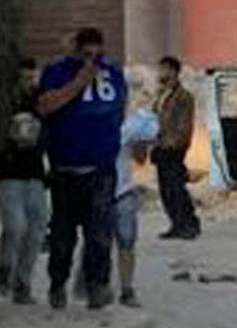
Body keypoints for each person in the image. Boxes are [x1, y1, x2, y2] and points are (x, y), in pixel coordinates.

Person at [35, 27, 127, 311]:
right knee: (63, 236)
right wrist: (78, 83)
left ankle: (96, 287)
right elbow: (45, 107)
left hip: (100, 168)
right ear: (76, 50)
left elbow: (120, 108)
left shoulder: (112, 73)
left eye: (96, 52)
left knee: (100, 233)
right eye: (86, 53)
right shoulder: (57, 71)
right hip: (65, 169)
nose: (92, 58)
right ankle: (58, 284)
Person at [0, 59, 49, 305]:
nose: (29, 84)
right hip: (8, 173)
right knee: (15, 226)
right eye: (24, 79)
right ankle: (4, 268)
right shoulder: (0, 102)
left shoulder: (40, 102)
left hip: (35, 173)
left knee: (37, 229)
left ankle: (22, 282)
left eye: (31, 78)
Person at [113, 109, 159, 308]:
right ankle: (111, 287)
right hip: (107, 191)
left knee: (126, 242)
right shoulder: (124, 132)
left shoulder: (127, 131)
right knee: (117, 243)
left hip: (121, 191)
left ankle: (126, 289)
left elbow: (140, 158)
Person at [152, 56, 201, 240]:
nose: (161, 73)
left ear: (173, 71)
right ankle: (176, 224)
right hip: (160, 146)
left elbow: (185, 123)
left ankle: (189, 224)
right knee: (166, 189)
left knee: (176, 188)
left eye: (164, 69)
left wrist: (177, 143)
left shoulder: (184, 96)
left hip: (174, 147)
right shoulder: (160, 94)